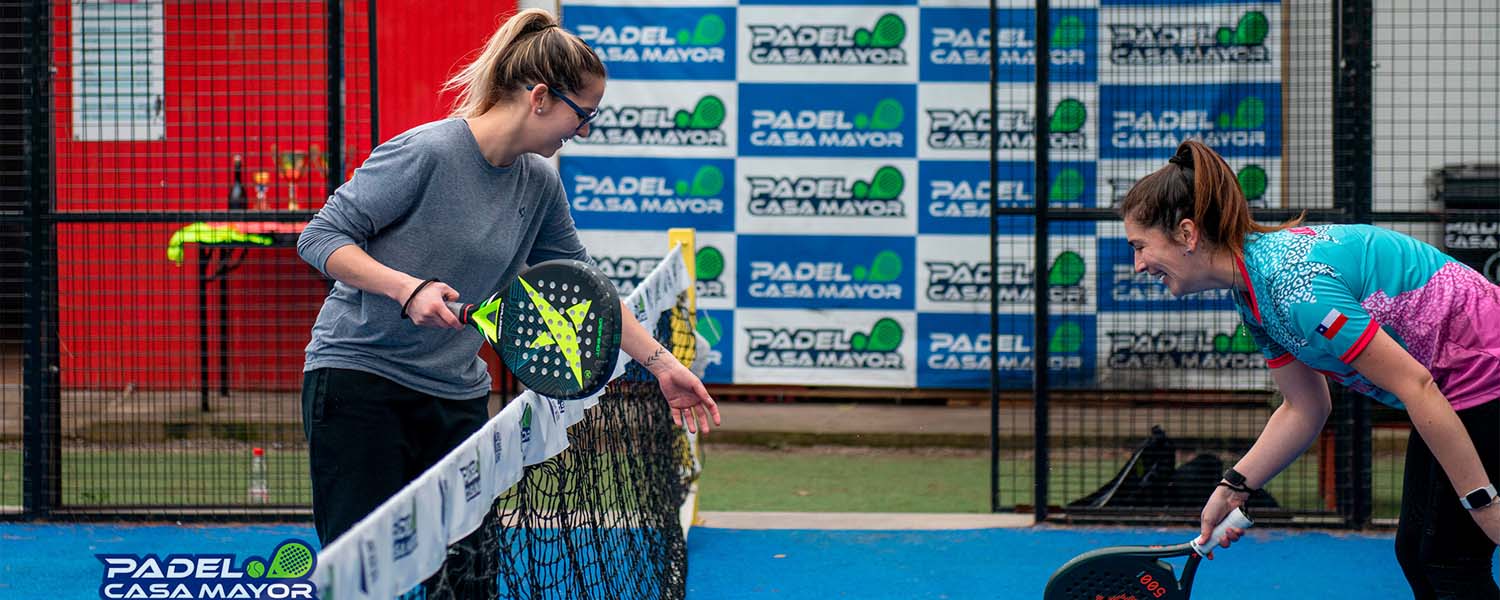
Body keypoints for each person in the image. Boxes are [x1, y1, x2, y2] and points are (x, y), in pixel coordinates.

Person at [295, 8, 720, 546]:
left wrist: (662, 366)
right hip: (359, 384)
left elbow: (589, 293)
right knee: (366, 567)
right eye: (581, 114)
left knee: (472, 571)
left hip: (457, 396)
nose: (584, 130)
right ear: (540, 98)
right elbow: (320, 237)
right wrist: (408, 288)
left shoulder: (540, 184)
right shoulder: (426, 152)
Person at [1120, 139, 1499, 597]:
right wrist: (1235, 486)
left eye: (1140, 246)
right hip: (1454, 387)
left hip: (1481, 378)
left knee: (1446, 558)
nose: (1138, 265)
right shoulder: (1253, 295)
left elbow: (1416, 386)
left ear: (1186, 234)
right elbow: (1304, 407)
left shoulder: (1295, 288)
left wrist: (1482, 500)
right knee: (1419, 553)